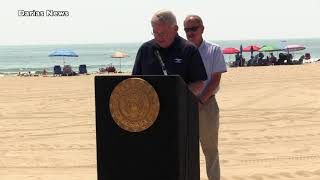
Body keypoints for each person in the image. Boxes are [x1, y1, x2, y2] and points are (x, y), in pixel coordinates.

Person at [184, 15, 227, 180]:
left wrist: (201, 101)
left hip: (207, 105)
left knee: (210, 150)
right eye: (187, 29)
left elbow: (215, 79)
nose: (190, 33)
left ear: (202, 28)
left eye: (193, 28)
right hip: (185, 106)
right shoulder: (181, 50)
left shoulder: (213, 50)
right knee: (187, 150)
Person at [132, 10, 207, 95]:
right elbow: (134, 81)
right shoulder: (145, 49)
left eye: (163, 33)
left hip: (179, 106)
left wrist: (176, 95)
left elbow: (199, 84)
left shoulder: (189, 50)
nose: (159, 37)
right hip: (149, 106)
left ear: (175, 29)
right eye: (155, 32)